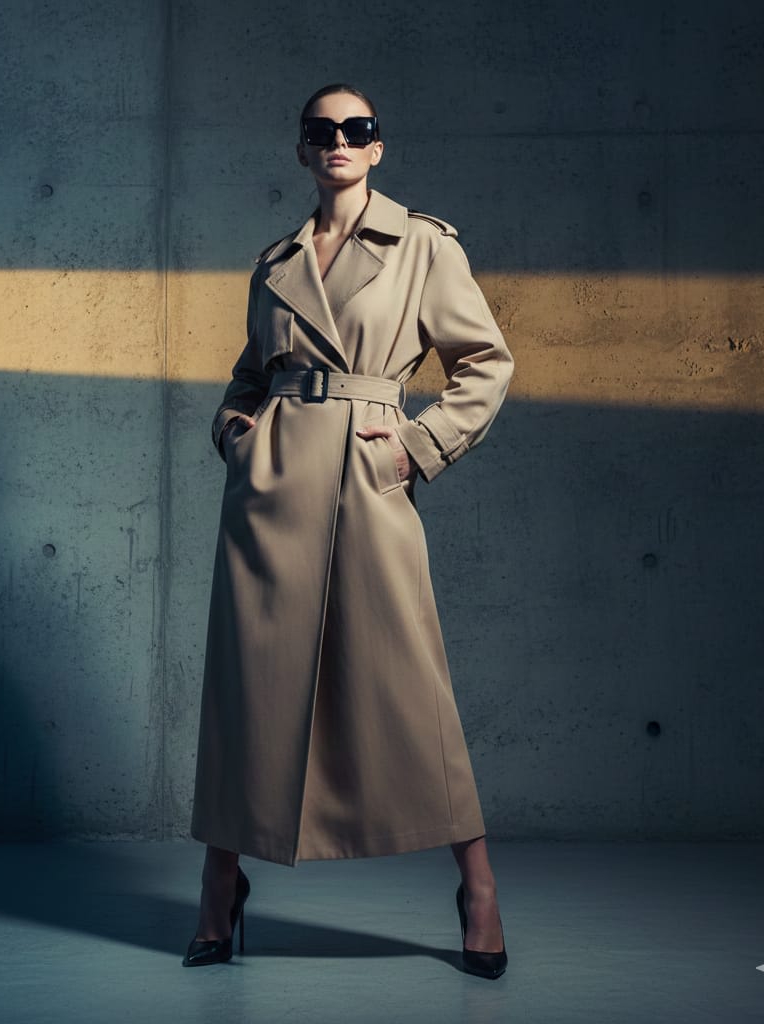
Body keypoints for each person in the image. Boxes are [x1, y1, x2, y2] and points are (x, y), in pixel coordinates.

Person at [183, 83, 514, 980]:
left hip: (369, 478)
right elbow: (249, 375)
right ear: (302, 148)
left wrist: (416, 447)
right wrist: (234, 433)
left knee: (410, 683)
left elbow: (486, 363)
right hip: (272, 487)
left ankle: (479, 889)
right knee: (249, 686)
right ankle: (220, 885)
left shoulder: (423, 246)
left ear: (377, 148)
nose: (339, 139)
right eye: (321, 129)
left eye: (355, 128)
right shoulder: (275, 262)